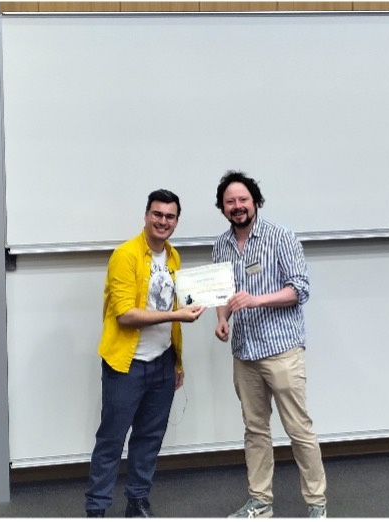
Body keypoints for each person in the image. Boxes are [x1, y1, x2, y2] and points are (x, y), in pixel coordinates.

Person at [212, 171, 328, 519]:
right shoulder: (221, 245)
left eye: (243, 199)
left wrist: (256, 300)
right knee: (255, 430)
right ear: (223, 207)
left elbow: (300, 289)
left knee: (298, 429)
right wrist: (222, 319)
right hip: (244, 353)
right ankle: (260, 502)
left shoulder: (281, 237)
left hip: (281, 350)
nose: (237, 206)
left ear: (255, 202)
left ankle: (317, 503)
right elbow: (222, 293)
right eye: (230, 202)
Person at [85, 189, 206, 518]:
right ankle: (96, 508)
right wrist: (177, 315)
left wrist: (177, 361)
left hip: (163, 363)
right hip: (127, 365)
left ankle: (137, 501)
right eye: (157, 214)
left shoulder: (173, 257)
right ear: (146, 216)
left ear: (176, 221)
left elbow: (175, 311)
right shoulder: (125, 256)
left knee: (149, 438)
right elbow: (125, 315)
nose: (163, 221)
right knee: (111, 440)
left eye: (170, 217)